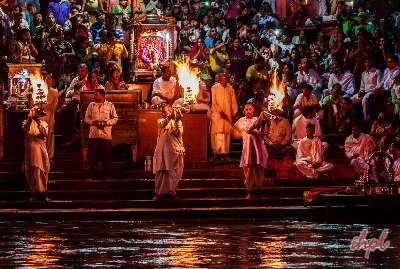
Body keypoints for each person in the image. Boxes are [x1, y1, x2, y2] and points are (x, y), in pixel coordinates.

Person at [234, 103, 268, 200]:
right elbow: (247, 130)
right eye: (246, 109)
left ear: (253, 110)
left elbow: (262, 133)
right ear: (244, 110)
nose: (248, 111)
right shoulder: (241, 121)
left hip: (259, 148)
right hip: (248, 149)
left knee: (260, 170)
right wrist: (257, 124)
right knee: (249, 171)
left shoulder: (257, 119)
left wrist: (263, 124)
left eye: (250, 109)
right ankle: (250, 191)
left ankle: (259, 190)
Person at [84, 89, 118, 179]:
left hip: (106, 135)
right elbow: (86, 118)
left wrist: (107, 122)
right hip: (94, 135)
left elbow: (115, 118)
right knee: (93, 156)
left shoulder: (110, 105)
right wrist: (92, 122)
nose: (94, 96)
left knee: (106, 156)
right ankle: (94, 175)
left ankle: (105, 175)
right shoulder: (91, 105)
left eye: (96, 95)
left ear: (102, 95)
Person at [153, 105, 185, 200]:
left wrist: (178, 120)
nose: (163, 113)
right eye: (162, 112)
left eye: (165, 111)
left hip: (172, 151)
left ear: (170, 111)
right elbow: (162, 124)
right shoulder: (160, 121)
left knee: (172, 172)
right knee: (161, 172)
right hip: (162, 151)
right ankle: (158, 193)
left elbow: (179, 134)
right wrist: (171, 117)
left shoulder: (176, 122)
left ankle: (172, 193)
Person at [23, 106, 50, 201]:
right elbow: (25, 129)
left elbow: (44, 133)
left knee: (43, 171)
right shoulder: (27, 122)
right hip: (31, 151)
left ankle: (43, 193)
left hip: (41, 150)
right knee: (33, 172)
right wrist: (30, 118)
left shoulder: (44, 123)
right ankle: (35, 193)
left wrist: (38, 122)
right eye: (34, 110)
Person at [210, 72, 238, 161]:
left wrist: (235, 112)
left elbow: (233, 101)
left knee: (226, 134)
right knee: (217, 134)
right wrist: (219, 111)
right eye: (222, 79)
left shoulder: (230, 88)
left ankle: (225, 154)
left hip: (227, 114)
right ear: (219, 79)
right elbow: (214, 102)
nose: (223, 80)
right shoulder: (214, 88)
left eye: (225, 78)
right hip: (217, 115)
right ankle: (215, 153)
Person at [43, 73, 59, 162]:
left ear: (52, 81)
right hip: (40, 117)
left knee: (49, 135)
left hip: (49, 116)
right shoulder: (39, 91)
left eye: (49, 79)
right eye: (45, 78)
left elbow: (54, 106)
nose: (47, 80)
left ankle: (49, 156)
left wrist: (47, 106)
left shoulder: (54, 92)